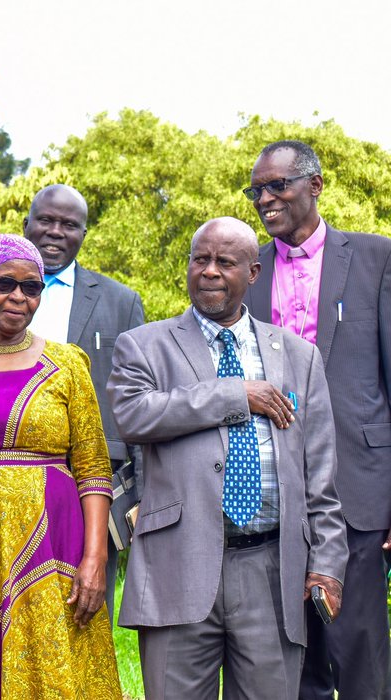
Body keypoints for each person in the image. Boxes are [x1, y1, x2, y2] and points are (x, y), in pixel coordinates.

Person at [109, 217, 348, 699]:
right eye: (200, 259)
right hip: (177, 565)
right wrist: (235, 395)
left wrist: (327, 561)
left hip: (271, 571)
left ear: (253, 273)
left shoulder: (299, 356)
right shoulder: (145, 345)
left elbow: (319, 475)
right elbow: (133, 416)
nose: (210, 271)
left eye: (225, 262)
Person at [0, 186, 145, 619]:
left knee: (76, 608)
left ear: (84, 233)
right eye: (46, 220)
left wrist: (139, 492)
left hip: (83, 493)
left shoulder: (121, 301)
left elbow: (134, 398)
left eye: (69, 224)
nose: (56, 231)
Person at [0, 234, 120, 699]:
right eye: (4, 284)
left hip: (56, 544)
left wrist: (95, 558)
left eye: (31, 287)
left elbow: (94, 468)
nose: (18, 297)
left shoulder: (67, 364)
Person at [241, 140, 391, 700]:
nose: (265, 199)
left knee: (360, 654)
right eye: (257, 190)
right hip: (271, 489)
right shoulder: (246, 268)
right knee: (291, 659)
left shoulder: (376, 258)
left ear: (315, 185)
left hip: (359, 485)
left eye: (277, 186)